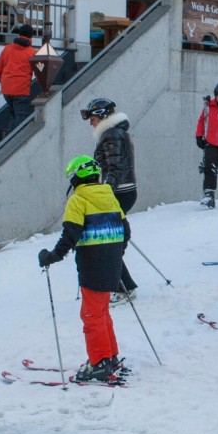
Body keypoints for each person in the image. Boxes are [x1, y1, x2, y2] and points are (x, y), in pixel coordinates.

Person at [37, 155, 130, 384]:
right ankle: (110, 356)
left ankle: (99, 363)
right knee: (102, 312)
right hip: (112, 263)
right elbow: (125, 230)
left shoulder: (78, 200)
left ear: (75, 178)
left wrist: (52, 256)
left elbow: (71, 234)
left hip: (92, 265)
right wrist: (116, 254)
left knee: (91, 315)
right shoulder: (109, 195)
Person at [83, 97, 139, 306]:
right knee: (109, 242)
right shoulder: (116, 133)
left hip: (119, 193)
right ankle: (124, 285)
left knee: (106, 244)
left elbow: (115, 168)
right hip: (123, 191)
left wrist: (105, 192)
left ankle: (124, 288)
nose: (91, 122)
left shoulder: (112, 136)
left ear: (104, 116)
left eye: (93, 117)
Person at [0, 23, 37, 130]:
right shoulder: (32, 52)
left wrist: (4, 81)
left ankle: (8, 142)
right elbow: (41, 72)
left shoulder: (7, 49)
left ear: (19, 35)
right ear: (31, 37)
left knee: (13, 117)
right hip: (21, 90)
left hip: (7, 90)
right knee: (21, 122)